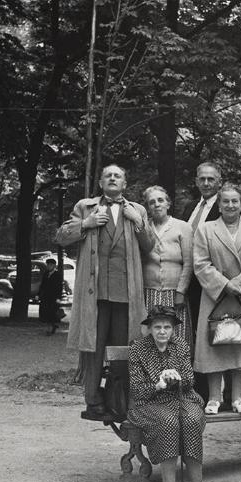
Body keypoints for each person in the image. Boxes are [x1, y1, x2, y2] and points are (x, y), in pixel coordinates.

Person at [55, 163, 155, 420]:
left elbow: (150, 246)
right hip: (95, 294)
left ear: (124, 184)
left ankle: (122, 399)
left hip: (126, 294)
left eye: (118, 176)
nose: (112, 178)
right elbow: (61, 237)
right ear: (101, 183)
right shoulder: (85, 207)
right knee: (93, 347)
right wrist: (85, 224)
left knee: (125, 348)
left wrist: (138, 224)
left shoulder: (137, 210)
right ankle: (93, 399)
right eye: (108, 175)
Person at [127, 305, 210, 482]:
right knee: (168, 421)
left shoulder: (180, 345)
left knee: (191, 419)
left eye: (166, 327)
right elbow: (137, 389)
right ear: (150, 329)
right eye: (157, 327)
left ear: (173, 329)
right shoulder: (138, 349)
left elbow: (191, 380)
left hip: (182, 397)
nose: (162, 331)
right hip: (150, 402)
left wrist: (177, 379)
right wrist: (158, 384)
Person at [193, 184, 241, 414]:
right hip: (215, 295)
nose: (230, 205)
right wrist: (225, 284)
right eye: (225, 201)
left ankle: (237, 397)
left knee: (240, 343)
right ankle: (214, 397)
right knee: (216, 344)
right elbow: (200, 263)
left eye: (235, 201)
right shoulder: (205, 229)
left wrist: (240, 284)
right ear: (219, 204)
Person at [180, 162, 222, 401]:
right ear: (196, 181)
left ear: (219, 181)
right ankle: (199, 389)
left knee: (215, 332)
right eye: (202, 179)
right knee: (194, 332)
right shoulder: (189, 208)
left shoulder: (224, 205)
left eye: (211, 179)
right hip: (190, 279)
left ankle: (218, 392)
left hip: (212, 277)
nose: (206, 183)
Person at [142, 185, 194, 348]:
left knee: (177, 336)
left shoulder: (182, 227)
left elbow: (189, 262)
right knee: (153, 335)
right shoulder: (144, 228)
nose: (156, 204)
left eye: (160, 200)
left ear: (168, 204)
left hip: (174, 293)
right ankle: (153, 372)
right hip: (150, 292)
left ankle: (179, 373)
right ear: (148, 208)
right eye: (152, 202)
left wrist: (181, 291)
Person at [38, 257, 63, 335]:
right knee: (45, 312)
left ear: (54, 266)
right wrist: (39, 294)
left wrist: (58, 298)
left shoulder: (57, 275)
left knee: (52, 313)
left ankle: (50, 328)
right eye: (48, 265)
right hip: (45, 296)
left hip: (53, 297)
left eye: (50, 265)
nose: (48, 266)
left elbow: (59, 287)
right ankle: (51, 327)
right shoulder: (46, 274)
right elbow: (42, 285)